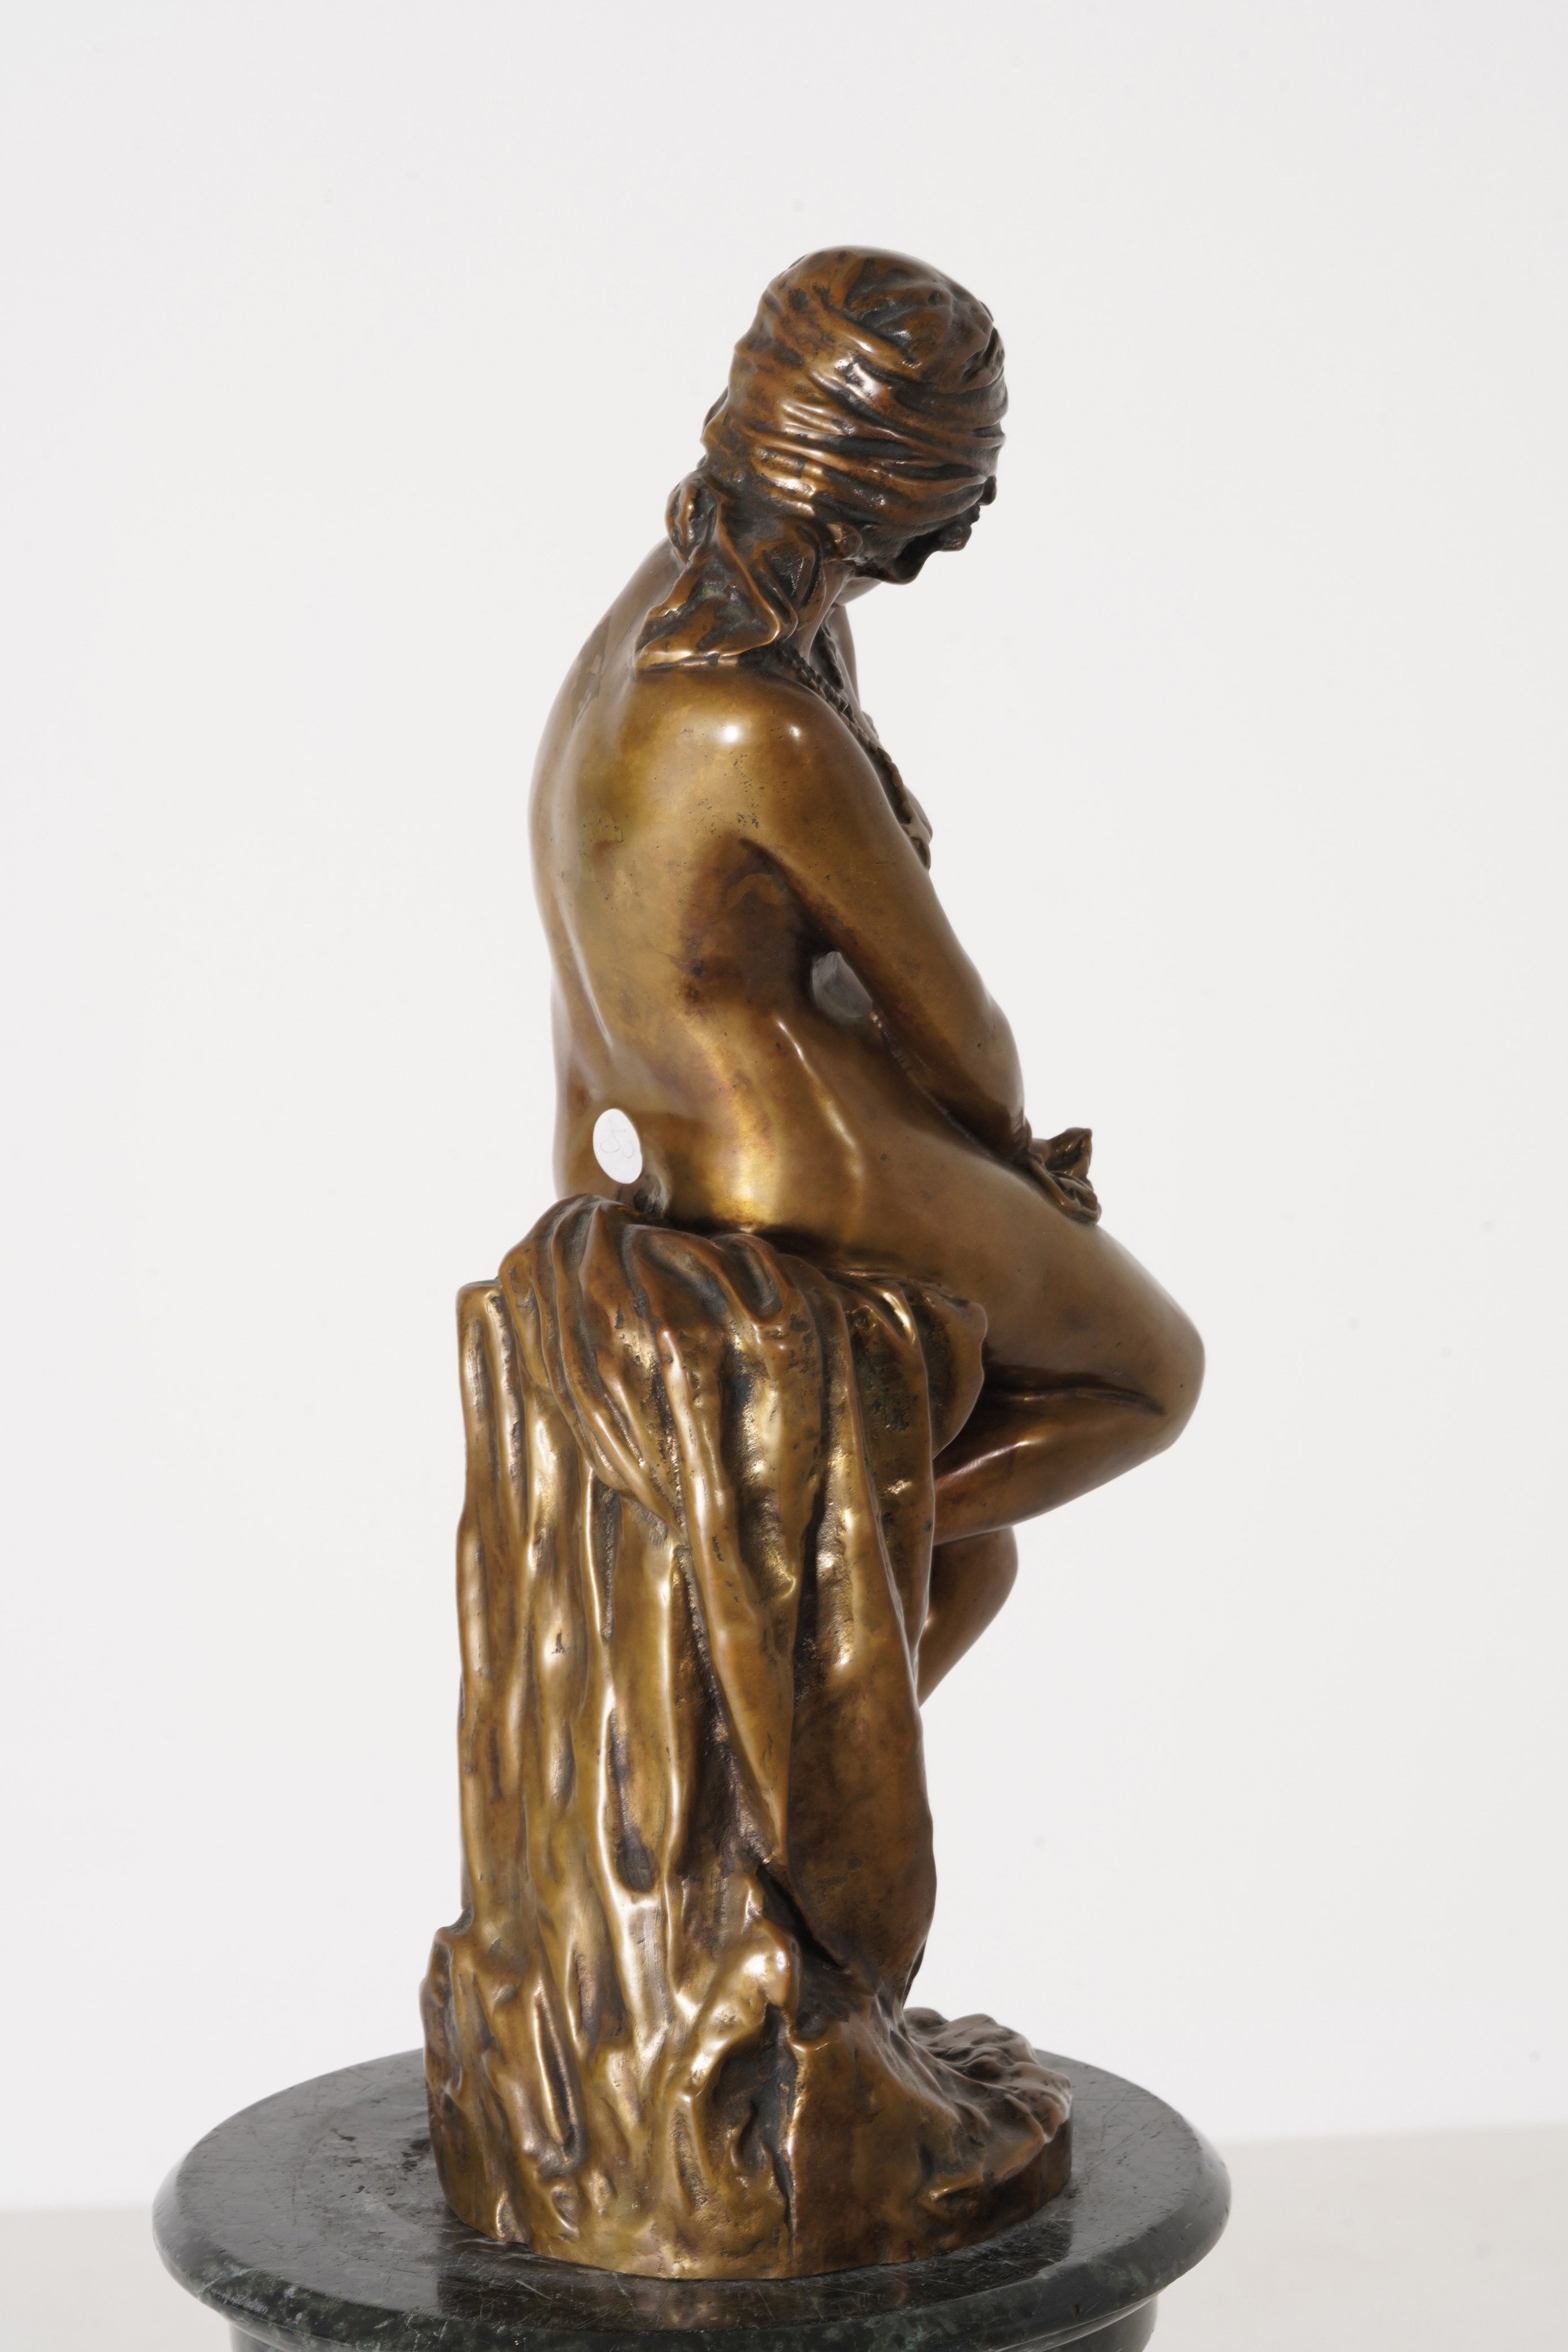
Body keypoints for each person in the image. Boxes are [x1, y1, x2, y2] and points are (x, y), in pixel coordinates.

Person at [531, 248, 1203, 1700]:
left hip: (641, 1146)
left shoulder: (643, 633)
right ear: (895, 487)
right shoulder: (758, 719)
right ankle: (774, 1565)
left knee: (972, 1563)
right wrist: (1024, 1159)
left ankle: (792, 1792)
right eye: (964, 479)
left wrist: (593, 1175)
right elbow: (957, 1027)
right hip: (799, 1162)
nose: (973, 518)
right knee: (1148, 1375)